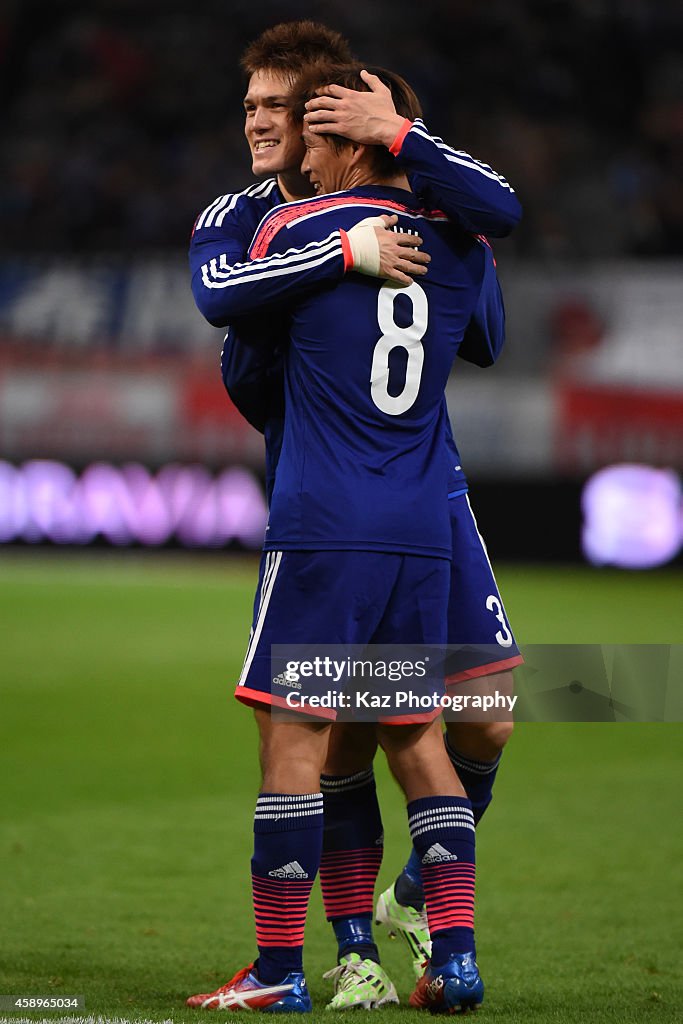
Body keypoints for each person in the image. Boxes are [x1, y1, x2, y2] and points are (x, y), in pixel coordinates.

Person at [186, 21, 522, 1012]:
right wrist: (351, 250)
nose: (259, 122)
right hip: (399, 494)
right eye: (248, 105)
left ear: (328, 126)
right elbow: (222, 304)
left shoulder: (324, 225)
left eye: (279, 109)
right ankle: (364, 952)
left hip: (350, 507)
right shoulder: (258, 218)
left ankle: (306, 955)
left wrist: (395, 170)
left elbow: (235, 340)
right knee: (384, 729)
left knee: (474, 718)